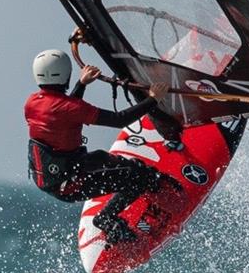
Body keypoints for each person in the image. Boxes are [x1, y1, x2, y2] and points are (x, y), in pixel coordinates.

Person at [25, 49, 179, 244]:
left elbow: (62, 110)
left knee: (105, 159)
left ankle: (141, 178)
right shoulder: (72, 108)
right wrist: (153, 99)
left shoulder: (31, 103)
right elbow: (119, 119)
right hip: (72, 185)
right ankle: (106, 219)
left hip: (59, 176)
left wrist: (81, 84)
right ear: (66, 73)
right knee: (138, 178)